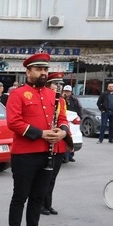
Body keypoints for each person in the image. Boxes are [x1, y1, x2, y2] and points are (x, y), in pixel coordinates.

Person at [6, 53, 68, 226]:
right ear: (28, 71)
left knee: (37, 198)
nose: (43, 73)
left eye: (45, 69)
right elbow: (13, 122)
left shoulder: (53, 95)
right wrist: (41, 133)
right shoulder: (18, 93)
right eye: (39, 69)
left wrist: (62, 132)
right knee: (20, 197)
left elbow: (62, 118)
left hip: (47, 154)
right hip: (25, 155)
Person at [41, 73, 70, 216]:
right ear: (48, 84)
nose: (59, 87)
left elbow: (63, 119)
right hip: (46, 141)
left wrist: (63, 132)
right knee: (43, 177)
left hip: (58, 143)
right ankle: (40, 204)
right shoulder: (44, 98)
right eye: (56, 84)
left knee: (53, 176)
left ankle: (48, 203)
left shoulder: (62, 101)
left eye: (61, 84)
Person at [61, 84, 81, 162]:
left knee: (71, 139)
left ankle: (70, 156)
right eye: (65, 91)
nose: (67, 93)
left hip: (73, 121)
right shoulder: (61, 99)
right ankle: (65, 156)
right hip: (64, 121)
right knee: (65, 139)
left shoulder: (74, 100)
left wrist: (80, 117)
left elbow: (79, 108)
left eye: (68, 91)